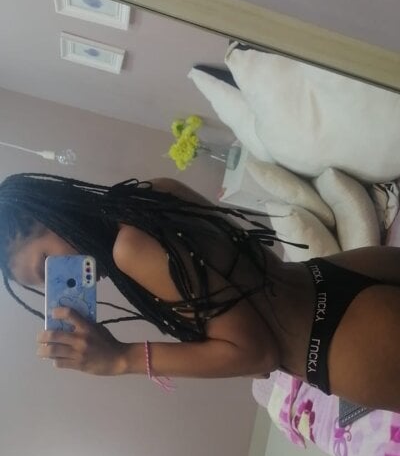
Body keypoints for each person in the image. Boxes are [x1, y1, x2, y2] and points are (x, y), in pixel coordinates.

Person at [1, 172, 400, 412]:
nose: (57, 283)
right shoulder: (154, 190)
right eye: (43, 284)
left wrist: (121, 358)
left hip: (341, 343)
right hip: (340, 273)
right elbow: (252, 274)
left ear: (48, 215)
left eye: (46, 265)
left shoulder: (131, 249)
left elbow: (257, 354)